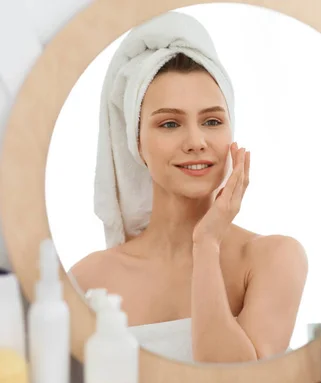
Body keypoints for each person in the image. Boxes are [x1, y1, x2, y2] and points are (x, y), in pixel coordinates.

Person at [70, 14, 308, 364]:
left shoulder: (273, 258)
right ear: (136, 142)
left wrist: (207, 243)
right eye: (169, 123)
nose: (196, 141)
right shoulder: (89, 280)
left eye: (212, 121)